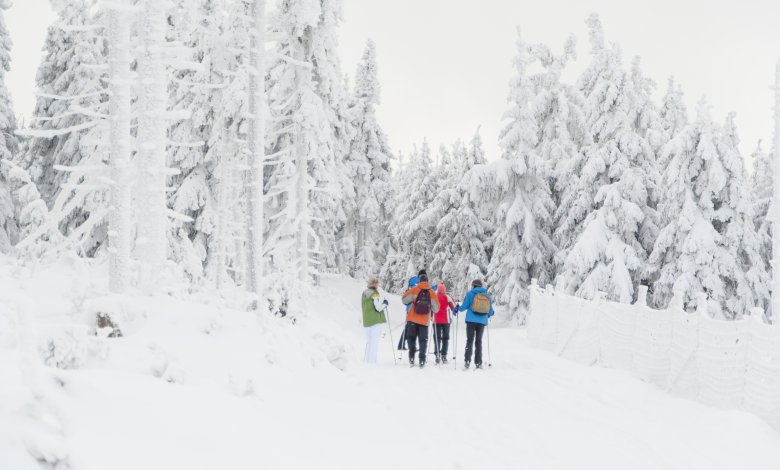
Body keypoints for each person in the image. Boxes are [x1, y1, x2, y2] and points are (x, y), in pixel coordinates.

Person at [401, 272, 440, 368]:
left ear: (420, 281)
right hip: (424, 321)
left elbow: (404, 300)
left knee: (411, 339)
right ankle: (422, 360)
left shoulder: (414, 289)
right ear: (427, 281)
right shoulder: (431, 292)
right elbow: (436, 309)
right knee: (423, 341)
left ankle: (411, 358)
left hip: (412, 319)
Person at [456, 279, 494, 369]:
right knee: (478, 341)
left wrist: (458, 308)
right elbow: (490, 311)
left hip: (471, 321)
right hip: (482, 322)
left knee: (469, 340)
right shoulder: (487, 295)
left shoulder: (470, 294)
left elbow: (464, 307)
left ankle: (467, 361)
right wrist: (488, 315)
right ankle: (478, 362)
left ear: (474, 286)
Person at [362, 277, 388, 364]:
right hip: (375, 321)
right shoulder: (375, 294)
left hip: (367, 320)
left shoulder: (364, 293)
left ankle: (367, 361)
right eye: (377, 283)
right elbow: (378, 308)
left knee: (369, 342)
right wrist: (385, 304)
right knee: (374, 342)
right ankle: (372, 362)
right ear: (375, 284)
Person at [432, 283, 455, 364]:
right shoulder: (447, 297)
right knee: (445, 338)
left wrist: (431, 316)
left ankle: (437, 354)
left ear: (438, 289)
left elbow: (430, 307)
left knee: (437, 338)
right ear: (444, 290)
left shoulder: (434, 296)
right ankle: (444, 355)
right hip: (446, 321)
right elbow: (453, 308)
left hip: (436, 321)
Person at [397, 275, 420, 351]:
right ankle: (404, 345)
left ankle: (401, 344)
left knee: (409, 328)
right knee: (410, 328)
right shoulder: (416, 281)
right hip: (412, 309)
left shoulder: (414, 280)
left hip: (410, 308)